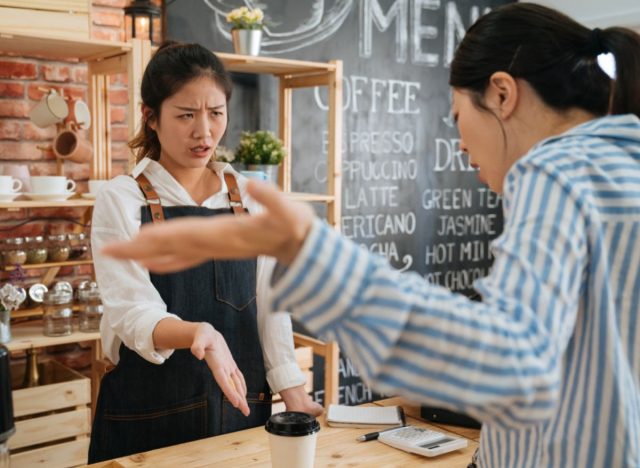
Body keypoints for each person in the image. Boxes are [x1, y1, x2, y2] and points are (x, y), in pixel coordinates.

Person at [101, 4, 640, 467]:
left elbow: (507, 361)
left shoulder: (557, 174)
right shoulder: (621, 166)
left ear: (501, 95)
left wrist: (315, 258)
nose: (459, 145)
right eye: (186, 115)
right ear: (153, 119)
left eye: (455, 116)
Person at [87, 41, 321, 463]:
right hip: (147, 420)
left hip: (241, 413)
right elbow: (130, 310)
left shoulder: (252, 198)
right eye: (186, 115)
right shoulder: (120, 199)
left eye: (216, 113)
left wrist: (295, 393)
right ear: (151, 117)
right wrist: (199, 334)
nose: (205, 132)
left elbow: (271, 305)